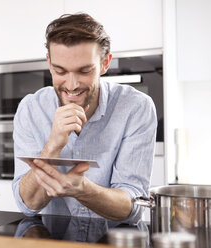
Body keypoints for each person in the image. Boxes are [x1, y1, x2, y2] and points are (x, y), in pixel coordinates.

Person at [12, 13, 157, 221]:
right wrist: (52, 146)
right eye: (60, 71)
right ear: (49, 63)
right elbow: (27, 205)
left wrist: (82, 189)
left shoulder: (136, 108)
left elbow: (133, 207)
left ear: (105, 63)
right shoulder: (30, 109)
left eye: (84, 71)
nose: (71, 85)